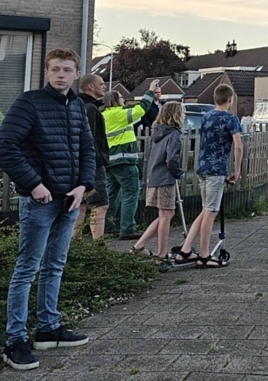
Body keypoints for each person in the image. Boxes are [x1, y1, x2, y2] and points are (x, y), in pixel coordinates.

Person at [0, 49, 95, 371]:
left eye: (67, 70)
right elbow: (6, 146)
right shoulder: (29, 103)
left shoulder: (77, 105)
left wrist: (83, 186)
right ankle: (15, 340)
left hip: (69, 200)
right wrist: (33, 184)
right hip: (39, 202)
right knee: (27, 269)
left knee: (55, 266)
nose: (61, 75)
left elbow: (87, 148)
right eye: (55, 69)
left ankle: (48, 328)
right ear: (46, 72)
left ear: (76, 74)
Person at [172, 85, 242, 267]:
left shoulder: (206, 116)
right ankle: (204, 255)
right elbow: (238, 146)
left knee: (205, 209)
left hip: (202, 167)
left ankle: (186, 249)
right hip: (216, 170)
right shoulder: (231, 119)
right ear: (230, 99)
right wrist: (237, 170)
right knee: (211, 212)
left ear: (214, 99)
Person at [102, 80, 159, 239]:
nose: (124, 99)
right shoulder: (118, 114)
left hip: (110, 161)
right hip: (124, 160)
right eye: (121, 97)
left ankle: (107, 227)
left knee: (111, 195)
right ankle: (127, 228)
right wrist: (150, 91)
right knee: (131, 193)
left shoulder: (104, 115)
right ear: (115, 100)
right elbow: (141, 109)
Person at [130, 101, 184, 262]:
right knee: (166, 214)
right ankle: (161, 253)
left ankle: (139, 246)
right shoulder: (174, 134)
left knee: (164, 214)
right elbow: (172, 159)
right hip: (165, 178)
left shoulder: (157, 131)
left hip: (153, 176)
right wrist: (178, 173)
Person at [72, 74, 110, 241]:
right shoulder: (90, 108)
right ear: (91, 87)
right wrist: (98, 159)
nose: (104, 86)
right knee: (100, 204)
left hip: (79, 162)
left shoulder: (77, 105)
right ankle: (98, 245)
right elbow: (90, 137)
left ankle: (74, 243)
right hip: (92, 164)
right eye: (101, 84)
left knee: (81, 204)